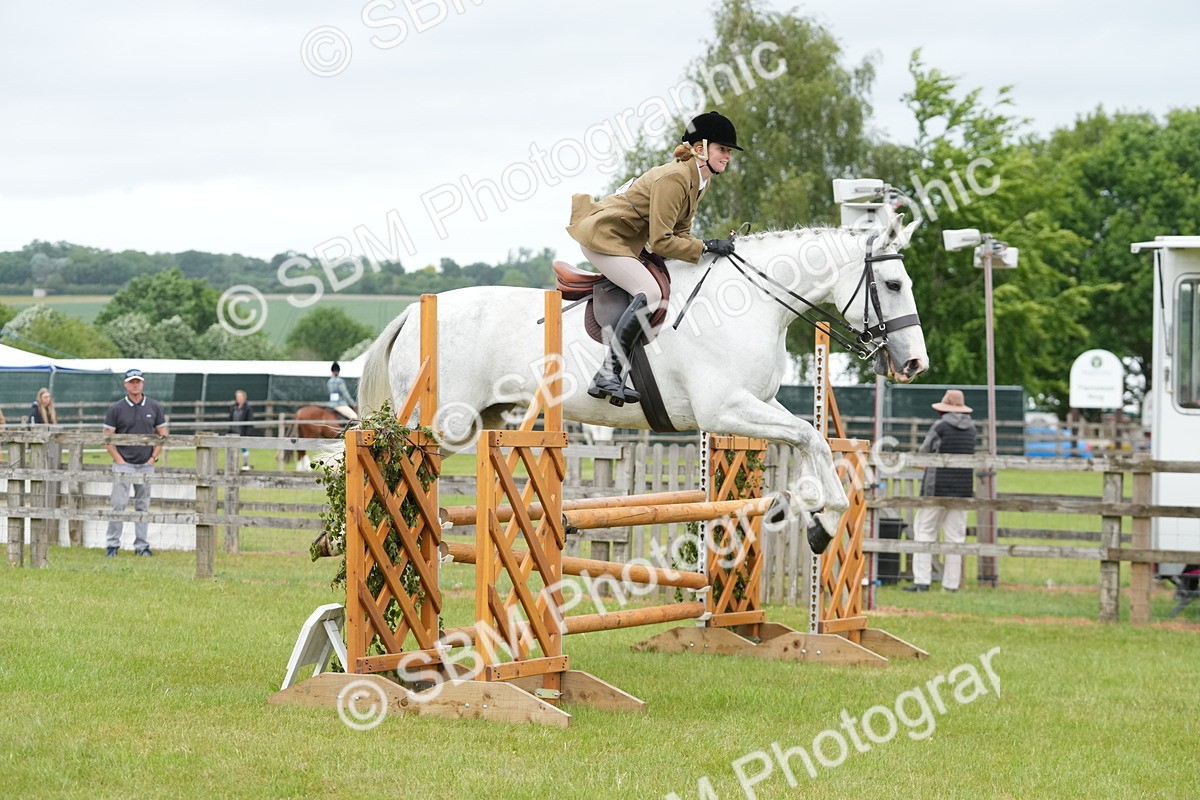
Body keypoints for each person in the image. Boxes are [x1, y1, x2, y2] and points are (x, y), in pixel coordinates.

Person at [565, 110, 742, 405]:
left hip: (626, 241)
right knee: (648, 292)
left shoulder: (698, 181)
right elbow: (661, 241)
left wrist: (705, 247)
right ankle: (608, 373)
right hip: (604, 237)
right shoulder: (674, 178)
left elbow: (681, 232)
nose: (728, 156)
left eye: (728, 151)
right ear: (701, 148)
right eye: (722, 149)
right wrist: (705, 246)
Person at [905, 389, 978, 592]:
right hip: (963, 488)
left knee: (924, 531)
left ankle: (922, 581)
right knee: (955, 537)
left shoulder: (940, 426)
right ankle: (951, 585)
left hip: (936, 487)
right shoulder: (972, 428)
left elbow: (924, 453)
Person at [103, 369, 167, 557]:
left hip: (146, 464)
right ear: (125, 385)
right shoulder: (116, 408)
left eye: (138, 381)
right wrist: (119, 460)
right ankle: (112, 545)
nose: (135, 384)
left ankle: (142, 546)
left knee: (142, 505)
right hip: (124, 463)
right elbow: (108, 438)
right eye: (132, 382)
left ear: (143, 383)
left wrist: (153, 458)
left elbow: (162, 435)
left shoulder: (154, 407)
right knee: (118, 505)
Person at [228, 389, 256, 470]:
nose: (238, 398)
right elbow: (230, 419)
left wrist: (248, 433)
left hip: (243, 432)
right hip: (234, 432)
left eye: (239, 397)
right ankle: (232, 466)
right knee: (232, 450)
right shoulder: (233, 407)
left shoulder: (248, 408)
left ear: (244, 398)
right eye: (237, 397)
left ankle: (245, 464)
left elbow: (250, 421)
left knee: (244, 449)